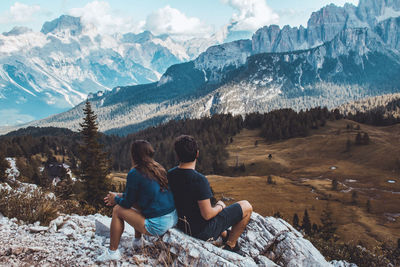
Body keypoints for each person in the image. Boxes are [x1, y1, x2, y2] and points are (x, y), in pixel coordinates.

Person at [167, 135, 253, 253]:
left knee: (214, 215)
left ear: (177, 155)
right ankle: (231, 246)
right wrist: (220, 206)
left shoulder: (170, 174)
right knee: (246, 206)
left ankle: (224, 234)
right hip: (201, 232)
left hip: (182, 225)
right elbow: (207, 215)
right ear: (197, 154)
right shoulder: (199, 180)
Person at [96, 140, 178, 262]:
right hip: (173, 217)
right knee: (135, 203)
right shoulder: (158, 168)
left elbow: (127, 203)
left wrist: (116, 199)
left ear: (134, 155)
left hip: (159, 225)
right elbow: (139, 196)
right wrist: (119, 195)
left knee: (117, 210)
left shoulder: (135, 172)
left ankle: (112, 252)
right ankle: (138, 242)